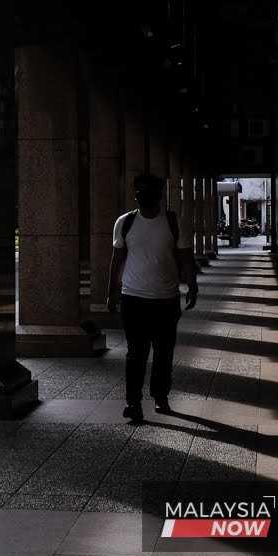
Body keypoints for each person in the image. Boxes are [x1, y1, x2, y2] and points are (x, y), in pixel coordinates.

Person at [106, 173, 198, 423]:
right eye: (140, 192)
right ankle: (133, 402)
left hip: (166, 300)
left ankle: (160, 396)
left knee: (163, 353)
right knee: (136, 353)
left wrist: (193, 285)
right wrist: (111, 293)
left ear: (160, 195)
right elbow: (117, 260)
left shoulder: (173, 221)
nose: (144, 197)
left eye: (150, 192)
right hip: (133, 298)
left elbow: (185, 256)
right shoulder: (124, 222)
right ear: (136, 195)